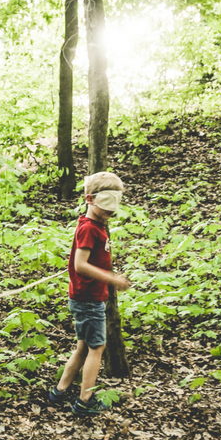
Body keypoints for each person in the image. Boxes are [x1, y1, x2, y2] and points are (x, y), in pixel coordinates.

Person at [47, 171, 132, 417]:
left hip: (88, 297)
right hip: (87, 298)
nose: (110, 213)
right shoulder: (89, 228)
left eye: (113, 209)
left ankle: (60, 391)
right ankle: (85, 400)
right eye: (106, 208)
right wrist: (112, 279)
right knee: (98, 347)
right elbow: (80, 265)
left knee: (84, 346)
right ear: (90, 199)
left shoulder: (97, 224)